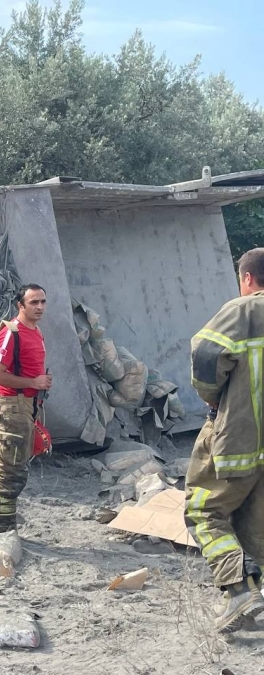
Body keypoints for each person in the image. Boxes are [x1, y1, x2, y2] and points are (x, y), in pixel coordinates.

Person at [185, 247, 264, 632]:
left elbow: (205, 353)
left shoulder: (244, 310)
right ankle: (253, 596)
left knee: (205, 510)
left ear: (247, 278)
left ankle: (238, 591)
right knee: (255, 522)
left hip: (240, 439)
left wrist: (211, 396)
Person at [0, 283, 53, 535]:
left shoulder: (36, 331)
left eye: (43, 301)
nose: (40, 307)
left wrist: (39, 383)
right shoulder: (12, 332)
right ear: (20, 306)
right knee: (12, 475)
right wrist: (33, 382)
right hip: (11, 408)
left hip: (25, 406)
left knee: (10, 472)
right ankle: (2, 534)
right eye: (34, 302)